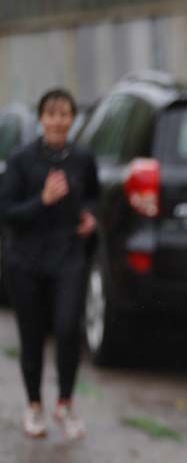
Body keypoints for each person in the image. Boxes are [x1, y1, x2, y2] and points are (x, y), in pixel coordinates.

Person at [0, 88, 98, 439]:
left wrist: (90, 218)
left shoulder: (83, 158)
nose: (58, 121)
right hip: (26, 259)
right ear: (41, 119)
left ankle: (66, 404)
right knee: (32, 335)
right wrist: (42, 200)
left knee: (68, 328)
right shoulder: (21, 160)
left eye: (65, 114)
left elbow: (93, 196)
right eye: (51, 114)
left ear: (73, 119)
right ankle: (34, 406)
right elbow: (7, 212)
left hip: (68, 255)